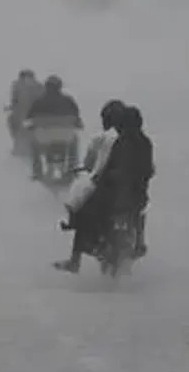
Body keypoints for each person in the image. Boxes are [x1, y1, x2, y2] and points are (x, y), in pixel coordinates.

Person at [54, 100, 125, 273]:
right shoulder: (141, 141)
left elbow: (93, 167)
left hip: (107, 192)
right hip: (135, 194)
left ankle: (75, 260)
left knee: (82, 213)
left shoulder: (102, 138)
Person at [111, 105, 154, 258]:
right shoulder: (145, 142)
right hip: (138, 193)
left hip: (119, 194)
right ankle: (140, 241)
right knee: (139, 213)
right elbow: (149, 169)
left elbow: (112, 166)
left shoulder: (121, 142)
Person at [26, 75, 83, 180]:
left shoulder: (38, 101)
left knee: (33, 144)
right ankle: (72, 169)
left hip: (43, 139)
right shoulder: (68, 100)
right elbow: (76, 117)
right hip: (65, 138)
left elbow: (29, 117)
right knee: (74, 141)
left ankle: (37, 171)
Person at [7, 70, 43, 148]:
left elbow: (14, 101)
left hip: (21, 116)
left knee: (11, 120)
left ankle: (18, 143)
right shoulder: (39, 85)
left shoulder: (16, 85)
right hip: (36, 117)